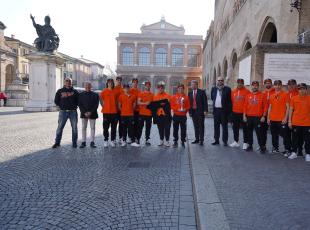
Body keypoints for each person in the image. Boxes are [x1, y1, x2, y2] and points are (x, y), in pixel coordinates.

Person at [52, 77, 79, 148]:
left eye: (69, 81)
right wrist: (62, 106)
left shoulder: (75, 92)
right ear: (64, 82)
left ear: (71, 82)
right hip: (63, 112)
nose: (68, 82)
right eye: (66, 81)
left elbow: (79, 101)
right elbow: (56, 101)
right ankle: (57, 142)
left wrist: (74, 105)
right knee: (60, 127)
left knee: (74, 128)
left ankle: (74, 143)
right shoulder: (60, 91)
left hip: (73, 112)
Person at [243, 81, 268, 153]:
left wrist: (264, 116)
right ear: (251, 86)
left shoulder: (262, 95)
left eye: (256, 86)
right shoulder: (248, 95)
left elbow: (265, 107)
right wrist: (244, 115)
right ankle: (250, 145)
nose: (254, 87)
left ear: (258, 86)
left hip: (258, 117)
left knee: (259, 133)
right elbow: (245, 106)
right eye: (253, 85)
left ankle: (261, 147)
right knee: (249, 132)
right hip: (249, 117)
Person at [288, 83, 310, 161]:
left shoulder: (309, 98)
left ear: (306, 90)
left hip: (307, 123)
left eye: (303, 88)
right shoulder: (294, 98)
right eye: (300, 89)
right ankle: (294, 152)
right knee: (295, 139)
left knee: (307, 139)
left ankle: (308, 154)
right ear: (298, 90)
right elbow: (291, 110)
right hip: (296, 122)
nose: (301, 90)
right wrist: (289, 121)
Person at [267, 80, 290, 154]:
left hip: (281, 119)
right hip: (273, 118)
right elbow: (270, 107)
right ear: (274, 86)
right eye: (276, 85)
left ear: (281, 86)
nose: (277, 86)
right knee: (274, 135)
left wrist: (285, 118)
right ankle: (275, 148)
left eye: (279, 85)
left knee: (285, 135)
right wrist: (268, 117)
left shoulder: (285, 94)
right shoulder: (271, 95)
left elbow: (288, 107)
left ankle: (287, 149)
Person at [210, 76, 232, 146]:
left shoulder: (227, 89)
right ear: (217, 81)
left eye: (221, 80)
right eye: (219, 80)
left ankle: (225, 141)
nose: (220, 82)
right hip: (216, 110)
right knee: (216, 126)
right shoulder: (213, 89)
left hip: (223, 111)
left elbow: (229, 101)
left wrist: (228, 112)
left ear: (223, 81)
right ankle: (216, 140)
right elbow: (212, 98)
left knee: (224, 127)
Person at [230, 78, 250, 149]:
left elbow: (248, 103)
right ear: (237, 83)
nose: (240, 84)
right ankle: (236, 141)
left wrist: (245, 114)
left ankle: (245, 142)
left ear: (243, 84)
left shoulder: (247, 92)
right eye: (238, 83)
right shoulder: (233, 91)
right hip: (235, 113)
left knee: (245, 128)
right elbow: (232, 101)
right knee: (235, 128)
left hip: (243, 113)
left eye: (241, 83)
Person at [78, 82, 99, 148]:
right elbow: (80, 104)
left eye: (89, 86)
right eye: (86, 86)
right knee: (84, 128)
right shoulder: (80, 95)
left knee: (92, 128)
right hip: (84, 113)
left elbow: (96, 105)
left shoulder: (95, 95)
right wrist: (84, 112)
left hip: (92, 113)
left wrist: (90, 112)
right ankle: (83, 142)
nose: (87, 87)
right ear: (84, 87)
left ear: (91, 86)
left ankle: (92, 142)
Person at [188, 80, 208, 145]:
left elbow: (205, 102)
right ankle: (197, 139)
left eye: (193, 84)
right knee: (195, 126)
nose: (192, 86)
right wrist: (190, 112)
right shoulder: (190, 93)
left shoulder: (201, 92)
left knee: (201, 126)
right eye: (191, 85)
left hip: (200, 112)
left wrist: (205, 110)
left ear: (196, 85)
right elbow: (189, 103)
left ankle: (201, 140)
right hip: (193, 112)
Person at [152, 81, 172, 147]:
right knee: (160, 128)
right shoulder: (155, 96)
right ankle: (161, 140)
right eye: (159, 88)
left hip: (166, 115)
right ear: (158, 89)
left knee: (167, 128)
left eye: (162, 88)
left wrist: (160, 104)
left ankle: (167, 141)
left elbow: (168, 105)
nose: (160, 89)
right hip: (159, 115)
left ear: (163, 89)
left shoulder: (168, 96)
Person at [100, 79, 118, 147]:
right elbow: (100, 98)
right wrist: (102, 105)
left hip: (114, 112)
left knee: (114, 128)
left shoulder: (115, 91)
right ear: (107, 83)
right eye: (109, 83)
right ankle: (106, 140)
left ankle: (112, 140)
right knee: (105, 127)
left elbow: (117, 101)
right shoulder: (104, 91)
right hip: (106, 112)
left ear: (113, 84)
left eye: (111, 83)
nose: (110, 84)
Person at [285, 79, 301, 156]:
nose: (291, 86)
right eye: (289, 84)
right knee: (287, 134)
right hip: (289, 116)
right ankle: (288, 149)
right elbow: (287, 107)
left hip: (297, 117)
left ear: (296, 85)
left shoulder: (299, 93)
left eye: (292, 84)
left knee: (296, 135)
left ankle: (298, 150)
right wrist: (286, 118)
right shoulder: (287, 94)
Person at [137, 81, 154, 146]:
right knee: (140, 127)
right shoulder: (141, 94)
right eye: (146, 85)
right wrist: (145, 103)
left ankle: (147, 139)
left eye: (148, 85)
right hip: (142, 113)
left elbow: (153, 104)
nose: (147, 86)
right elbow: (138, 102)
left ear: (150, 86)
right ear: (145, 86)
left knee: (148, 127)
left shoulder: (152, 95)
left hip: (149, 114)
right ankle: (138, 139)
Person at [260, 79, 275, 151]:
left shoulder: (275, 92)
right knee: (263, 131)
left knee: (274, 132)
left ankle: (275, 147)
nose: (268, 84)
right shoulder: (262, 93)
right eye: (266, 83)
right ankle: (263, 145)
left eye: (269, 83)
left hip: (274, 114)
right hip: (264, 114)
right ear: (264, 84)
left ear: (271, 84)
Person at [129, 78, 140, 144]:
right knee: (130, 125)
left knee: (137, 125)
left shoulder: (139, 91)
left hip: (137, 110)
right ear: (132, 83)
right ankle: (130, 137)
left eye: (136, 82)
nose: (135, 83)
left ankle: (136, 137)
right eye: (134, 82)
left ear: (137, 83)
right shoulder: (129, 91)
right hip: (130, 110)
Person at [113, 76, 124, 143]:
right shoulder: (113, 88)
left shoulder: (123, 89)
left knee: (121, 124)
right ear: (116, 81)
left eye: (120, 80)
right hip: (114, 110)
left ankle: (120, 138)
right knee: (114, 124)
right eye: (118, 80)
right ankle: (113, 139)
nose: (119, 81)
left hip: (122, 110)